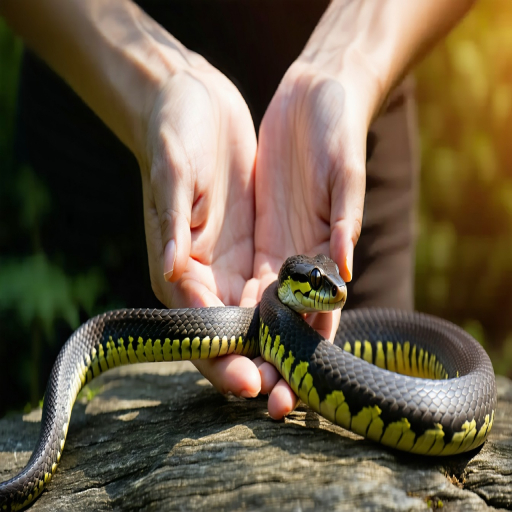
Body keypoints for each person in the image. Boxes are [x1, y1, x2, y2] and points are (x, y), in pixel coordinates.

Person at [0, 0, 475, 419]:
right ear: (291, 283)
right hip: (100, 123)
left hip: (338, 152)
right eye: (316, 284)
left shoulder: (321, 274)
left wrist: (350, 56)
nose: (331, 290)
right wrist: (157, 85)